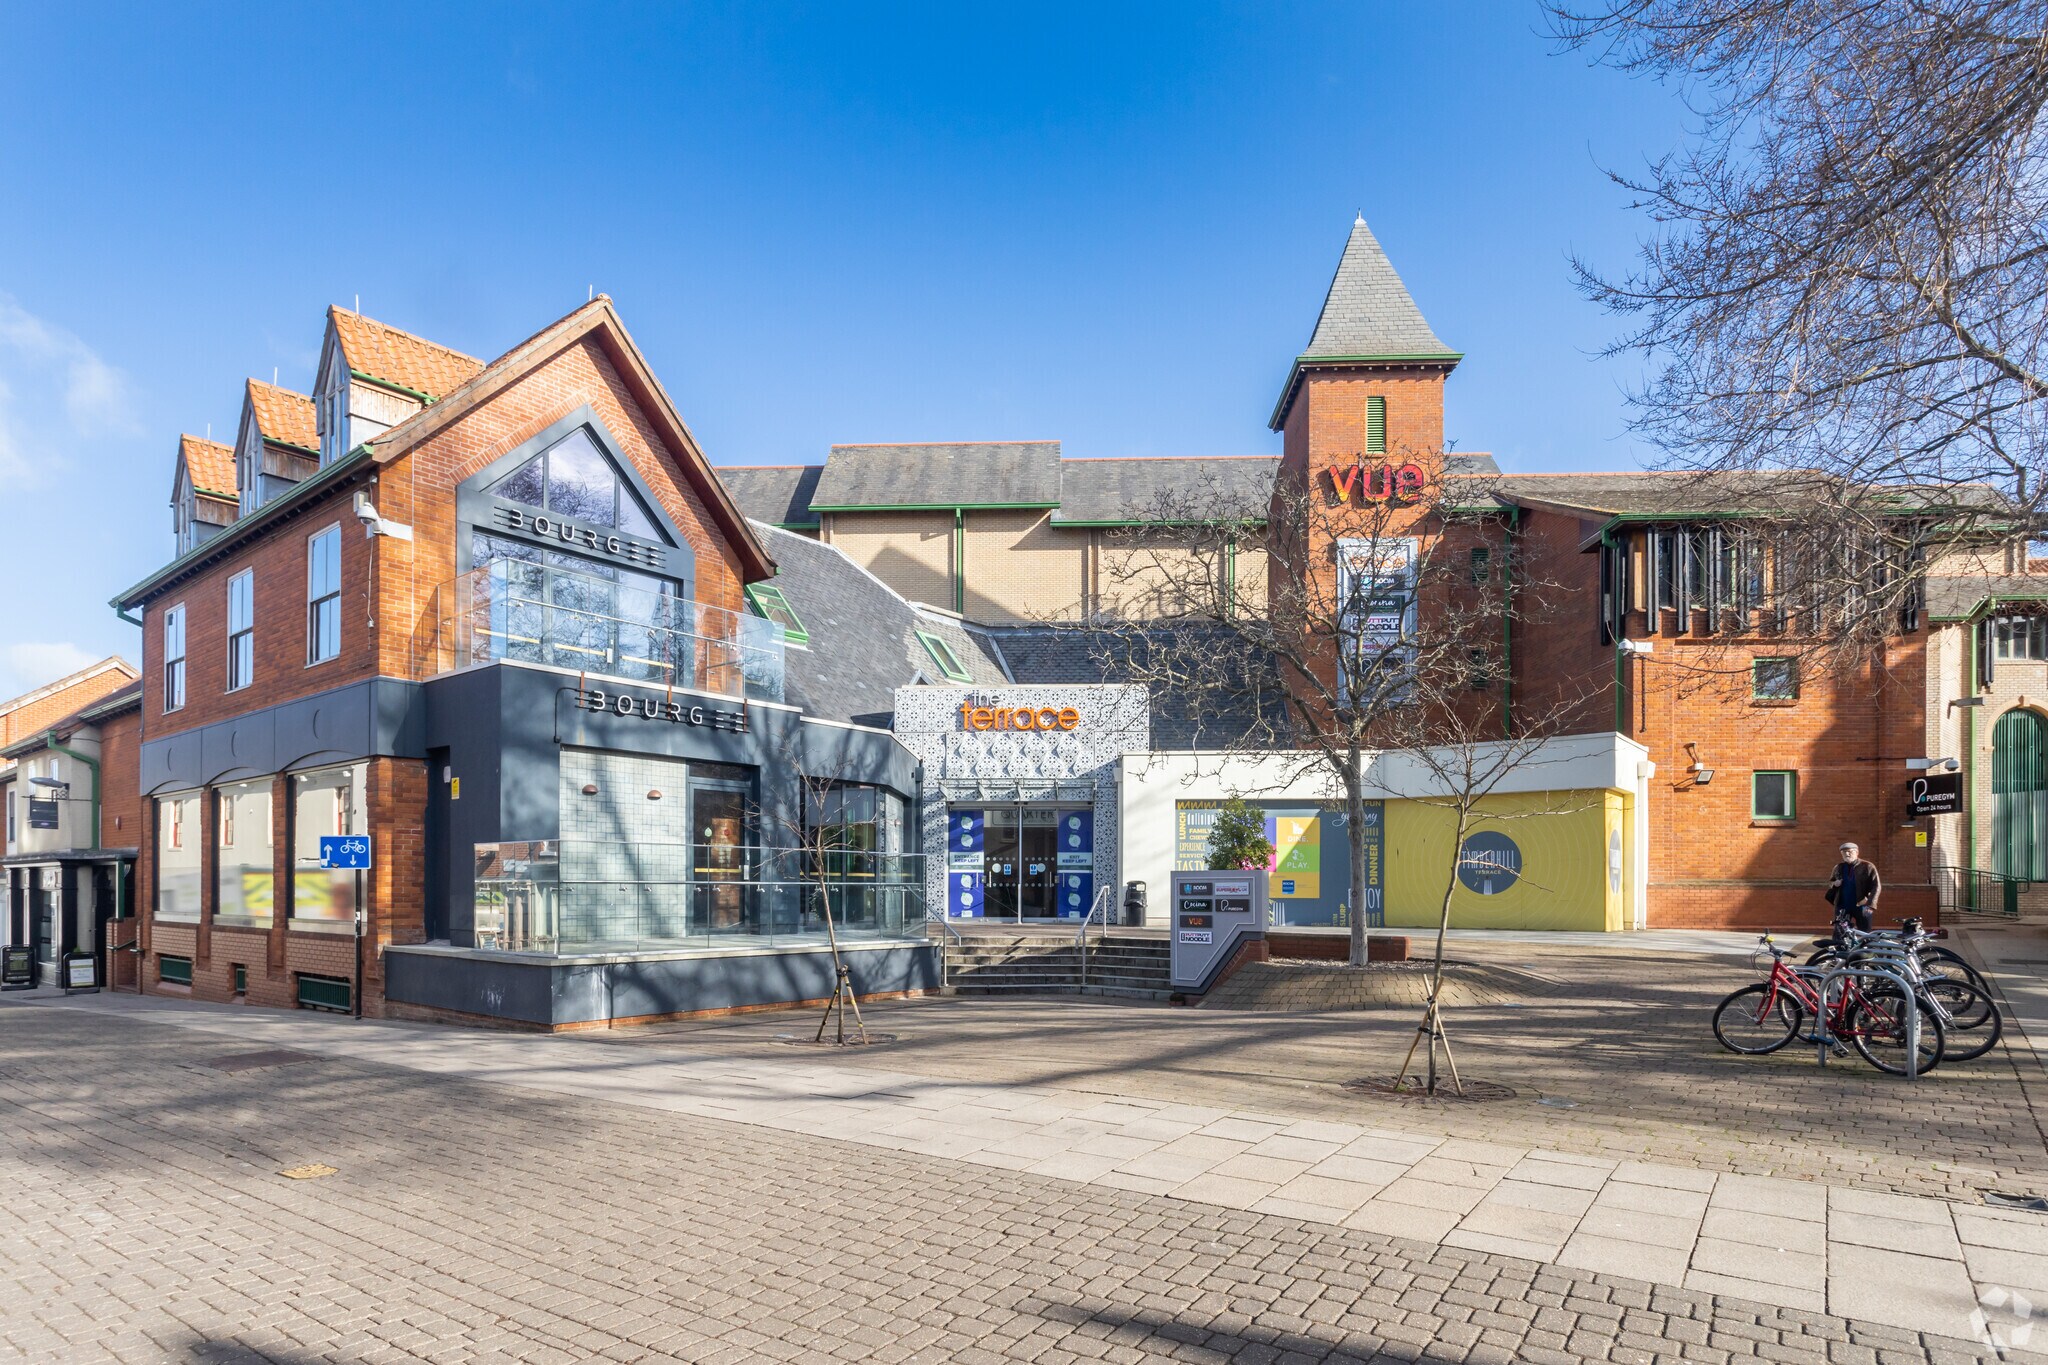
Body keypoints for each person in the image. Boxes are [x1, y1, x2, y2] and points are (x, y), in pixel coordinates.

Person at [1827, 841, 1882, 936]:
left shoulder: (1868, 866)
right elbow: (1830, 882)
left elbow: (1876, 886)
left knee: (1865, 932)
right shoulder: (1838, 867)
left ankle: (1864, 950)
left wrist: (1871, 904)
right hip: (1842, 905)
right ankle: (1840, 949)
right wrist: (1834, 883)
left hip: (1862, 905)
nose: (1847, 854)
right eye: (1844, 852)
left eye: (1850, 851)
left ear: (1857, 852)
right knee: (1839, 931)